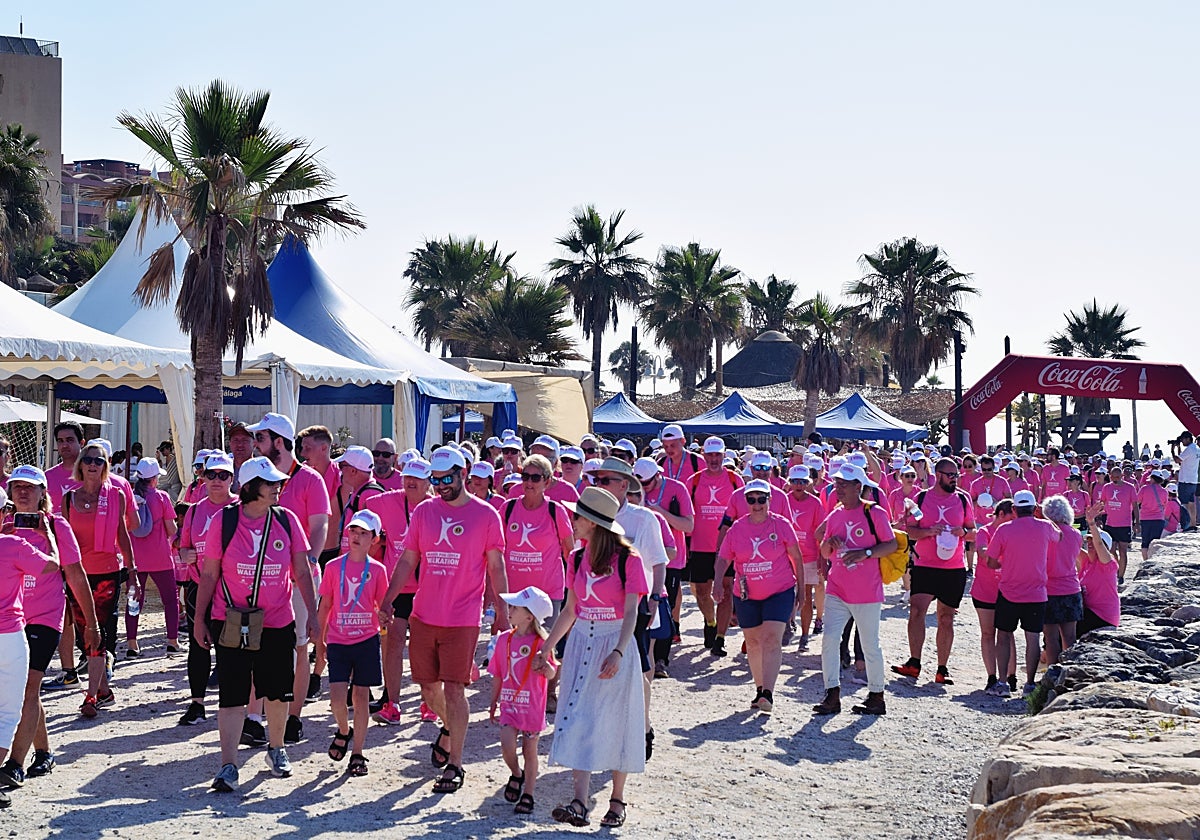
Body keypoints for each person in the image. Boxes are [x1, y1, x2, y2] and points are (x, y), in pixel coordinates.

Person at [380, 447, 509, 793]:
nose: (441, 487)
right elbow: (408, 560)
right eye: (435, 481)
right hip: (424, 614)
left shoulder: (486, 515)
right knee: (427, 688)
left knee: (455, 689)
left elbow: (496, 566)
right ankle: (451, 729)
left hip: (463, 617)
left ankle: (456, 765)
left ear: (463, 473)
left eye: (446, 479)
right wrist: (389, 598)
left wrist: (502, 610)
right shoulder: (424, 510)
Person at [195, 456, 318, 791]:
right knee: (232, 694)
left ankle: (276, 750)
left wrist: (314, 616)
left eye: (279, 482)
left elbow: (302, 572)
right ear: (250, 488)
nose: (278, 487)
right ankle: (228, 765)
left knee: (277, 691)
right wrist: (199, 619)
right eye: (270, 483)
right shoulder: (224, 521)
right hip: (231, 618)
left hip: (277, 621)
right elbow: (209, 573)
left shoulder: (287, 520)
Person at [537, 487, 648, 829]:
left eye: (577, 517)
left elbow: (632, 613)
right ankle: (579, 802)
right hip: (582, 639)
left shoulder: (629, 560)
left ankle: (616, 800)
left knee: (618, 718)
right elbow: (571, 608)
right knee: (578, 715)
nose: (572, 522)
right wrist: (548, 646)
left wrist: (618, 650)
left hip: (613, 641)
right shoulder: (576, 558)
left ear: (591, 522)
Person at [0, 468, 97, 789]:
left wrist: (91, 624)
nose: (23, 493)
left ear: (44, 492)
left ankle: (15, 764)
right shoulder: (4, 528)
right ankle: (43, 751)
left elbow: (76, 574)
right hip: (11, 622)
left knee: (29, 686)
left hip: (44, 618)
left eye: (31, 487)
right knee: (28, 690)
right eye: (17, 487)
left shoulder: (57, 526)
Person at [249, 412, 331, 746]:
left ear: (278, 442)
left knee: (298, 648)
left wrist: (309, 560)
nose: (255, 445)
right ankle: (254, 717)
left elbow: (321, 524)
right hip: (263, 578)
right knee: (255, 645)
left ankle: (293, 717)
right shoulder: (257, 478)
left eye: (260, 439)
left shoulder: (310, 479)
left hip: (299, 579)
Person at [591, 457, 668, 759]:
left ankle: (643, 725)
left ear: (624, 486)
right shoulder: (592, 516)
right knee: (601, 669)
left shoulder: (644, 519)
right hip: (598, 606)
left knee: (639, 671)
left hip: (636, 605)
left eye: (606, 481)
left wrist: (656, 598)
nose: (600, 486)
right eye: (597, 480)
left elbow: (659, 563)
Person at [812, 464, 898, 716]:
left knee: (870, 645)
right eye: (837, 483)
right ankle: (832, 694)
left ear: (858, 486)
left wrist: (866, 553)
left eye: (844, 484)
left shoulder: (875, 513)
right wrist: (828, 544)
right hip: (837, 588)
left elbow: (891, 544)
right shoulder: (836, 514)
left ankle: (876, 696)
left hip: (867, 591)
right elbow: (825, 551)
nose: (838, 489)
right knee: (829, 640)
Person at [63, 442, 140, 716]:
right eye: (89, 460)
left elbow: (123, 534)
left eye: (99, 460)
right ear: (81, 465)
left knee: (99, 630)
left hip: (107, 571)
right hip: (77, 574)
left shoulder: (116, 495)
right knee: (86, 631)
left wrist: (132, 573)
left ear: (105, 466)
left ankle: (91, 696)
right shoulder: (69, 498)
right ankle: (104, 690)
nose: (93, 464)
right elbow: (63, 539)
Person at [714, 479, 801, 714]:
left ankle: (768, 694)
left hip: (779, 590)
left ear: (769, 501)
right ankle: (759, 688)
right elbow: (723, 558)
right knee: (752, 642)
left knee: (771, 639)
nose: (757, 504)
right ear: (746, 502)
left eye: (761, 499)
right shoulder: (737, 529)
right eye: (751, 500)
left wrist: (801, 590)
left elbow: (797, 558)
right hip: (747, 593)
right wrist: (717, 582)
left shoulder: (781, 525)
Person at [318, 509, 388, 778]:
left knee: (361, 697)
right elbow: (325, 605)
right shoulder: (334, 566)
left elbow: (383, 606)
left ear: (375, 540)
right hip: (337, 639)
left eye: (364, 533)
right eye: (353, 531)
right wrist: (319, 641)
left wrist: (385, 615)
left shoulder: (378, 570)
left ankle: (358, 752)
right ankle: (343, 731)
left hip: (366, 640)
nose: (357, 537)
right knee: (337, 699)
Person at [893, 457, 975, 686]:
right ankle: (914, 663)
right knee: (917, 612)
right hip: (925, 565)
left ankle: (942, 669)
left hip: (953, 567)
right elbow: (909, 530)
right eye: (951, 475)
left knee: (946, 618)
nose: (955, 479)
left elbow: (973, 531)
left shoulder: (962, 498)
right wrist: (929, 531)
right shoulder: (920, 499)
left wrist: (962, 533)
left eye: (956, 475)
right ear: (938, 475)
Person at [0, 500, 60, 808]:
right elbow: (53, 564)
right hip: (9, 635)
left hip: (23, 629)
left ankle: (40, 753)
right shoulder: (12, 544)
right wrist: (46, 532)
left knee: (24, 696)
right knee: (9, 712)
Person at [363, 457, 431, 725]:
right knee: (393, 643)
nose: (411, 482)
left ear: (429, 482)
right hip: (398, 587)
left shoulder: (437, 507)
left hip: (429, 587)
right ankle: (392, 702)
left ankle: (429, 702)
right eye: (407, 477)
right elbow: (365, 502)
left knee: (425, 647)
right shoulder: (388, 501)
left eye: (417, 478)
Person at [175, 452, 238, 726]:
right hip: (198, 586)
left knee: (231, 650)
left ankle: (231, 705)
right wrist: (185, 554)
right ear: (202, 477)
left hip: (232, 591)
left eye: (223, 475)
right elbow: (183, 545)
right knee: (197, 646)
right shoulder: (195, 510)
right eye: (211, 474)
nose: (216, 481)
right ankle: (197, 704)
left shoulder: (241, 507)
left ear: (232, 479)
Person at [488, 586, 557, 816]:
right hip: (508, 705)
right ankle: (516, 773)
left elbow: (551, 674)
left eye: (515, 607)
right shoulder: (503, 640)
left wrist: (545, 666)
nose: (510, 610)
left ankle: (528, 793)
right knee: (507, 747)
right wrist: (493, 701)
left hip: (532, 708)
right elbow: (497, 673)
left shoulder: (542, 643)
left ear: (529, 616)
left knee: (530, 751)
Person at [985, 490, 1061, 697]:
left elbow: (990, 562)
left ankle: (1002, 683)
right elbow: (1059, 536)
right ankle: (1029, 684)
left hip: (1009, 590)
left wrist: (1005, 562)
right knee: (1032, 639)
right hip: (1037, 593)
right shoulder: (1045, 527)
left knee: (1003, 636)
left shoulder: (1004, 530)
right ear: (1035, 508)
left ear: (1014, 509)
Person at [634, 457, 694, 678]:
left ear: (657, 476)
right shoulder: (633, 491)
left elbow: (688, 525)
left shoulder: (677, 489)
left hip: (671, 558)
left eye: (647, 484)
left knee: (662, 605)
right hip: (641, 561)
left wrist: (660, 512)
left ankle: (661, 659)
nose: (643, 488)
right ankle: (643, 655)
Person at [685, 437, 744, 655]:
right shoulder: (694, 481)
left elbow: (744, 513)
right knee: (702, 592)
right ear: (703, 455)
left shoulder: (734, 479)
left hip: (728, 547)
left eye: (717, 455)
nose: (714, 459)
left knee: (727, 591)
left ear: (724, 455)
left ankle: (719, 638)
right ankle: (709, 622)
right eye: (710, 455)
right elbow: (686, 510)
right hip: (700, 545)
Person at [125, 458, 180, 657]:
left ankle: (132, 644)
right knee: (170, 600)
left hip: (135, 559)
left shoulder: (130, 497)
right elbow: (171, 528)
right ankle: (172, 642)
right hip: (161, 557)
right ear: (155, 479)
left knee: (133, 600)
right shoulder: (162, 497)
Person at [971, 499, 1017, 693]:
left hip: (1008, 590)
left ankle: (1010, 676)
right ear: (1000, 514)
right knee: (988, 633)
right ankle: (992, 676)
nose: (1014, 522)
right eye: (1011, 518)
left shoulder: (1014, 533)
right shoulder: (985, 531)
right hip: (985, 589)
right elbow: (982, 552)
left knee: (1007, 633)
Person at [1039, 495, 1084, 666]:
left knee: (1050, 638)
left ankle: (1051, 673)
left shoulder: (1045, 533)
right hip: (1071, 588)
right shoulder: (1076, 534)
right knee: (1070, 637)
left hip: (1048, 589)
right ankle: (1069, 672)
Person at [786, 465, 825, 649]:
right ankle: (788, 623)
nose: (799, 485)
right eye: (795, 481)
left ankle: (804, 635)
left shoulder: (815, 503)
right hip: (785, 557)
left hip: (808, 556)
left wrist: (821, 557)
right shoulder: (785, 500)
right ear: (790, 482)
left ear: (808, 482)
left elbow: (820, 533)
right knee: (784, 595)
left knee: (806, 595)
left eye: (802, 481)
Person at [1077, 503, 1119, 635]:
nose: (1090, 543)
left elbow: (1099, 544)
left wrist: (1091, 523)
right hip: (1089, 612)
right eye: (1088, 540)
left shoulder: (1107, 564)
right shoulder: (1086, 562)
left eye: (1092, 541)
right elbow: (1069, 542)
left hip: (1103, 616)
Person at [1098, 465, 1136, 583]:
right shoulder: (1107, 487)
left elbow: (1135, 506)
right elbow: (1102, 502)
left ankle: (1120, 576)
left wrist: (1137, 523)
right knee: (1111, 549)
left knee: (1123, 550)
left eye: (1118, 477)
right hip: (1110, 523)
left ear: (1122, 476)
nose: (1115, 479)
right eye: (1113, 477)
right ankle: (1115, 569)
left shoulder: (1130, 487)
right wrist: (1098, 516)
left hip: (1124, 523)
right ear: (1110, 476)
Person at [1136, 470, 1169, 561]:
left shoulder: (1144, 489)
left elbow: (1137, 501)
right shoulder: (1164, 491)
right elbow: (1165, 505)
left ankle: (1145, 562)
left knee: (1145, 542)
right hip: (1158, 519)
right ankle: (1152, 561)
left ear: (1152, 478)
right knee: (1155, 542)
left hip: (1145, 518)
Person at [1171, 431, 1199, 531]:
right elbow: (1183, 459)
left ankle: (1186, 524)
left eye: (1183, 439)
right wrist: (1178, 448)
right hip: (1193, 480)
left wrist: (1172, 450)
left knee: (1184, 504)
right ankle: (1193, 524)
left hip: (1185, 480)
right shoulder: (1196, 448)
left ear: (1188, 439)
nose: (1182, 442)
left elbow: (1177, 460)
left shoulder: (1190, 449)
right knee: (1192, 503)